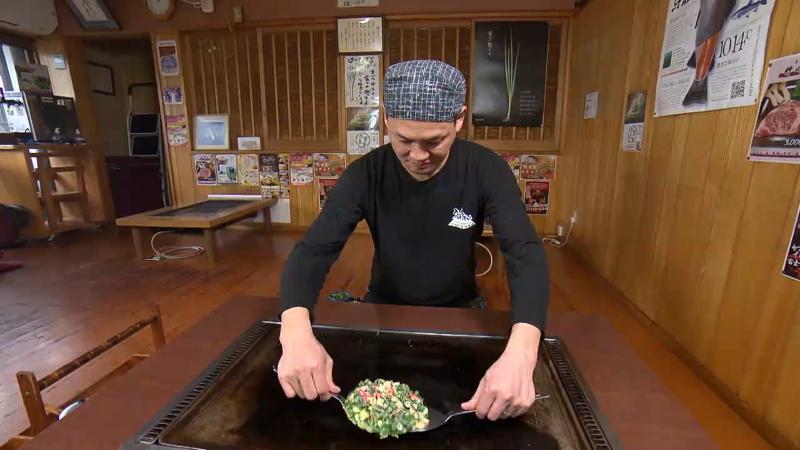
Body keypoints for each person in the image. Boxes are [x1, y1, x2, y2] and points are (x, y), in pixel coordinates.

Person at [276, 59, 550, 422]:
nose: (418, 156)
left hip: (461, 312)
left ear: (459, 119)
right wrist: (294, 333)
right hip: (383, 311)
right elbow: (313, 251)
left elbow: (524, 253)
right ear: (386, 118)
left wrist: (522, 354)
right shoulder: (366, 173)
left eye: (434, 141)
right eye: (404, 140)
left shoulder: (486, 169)